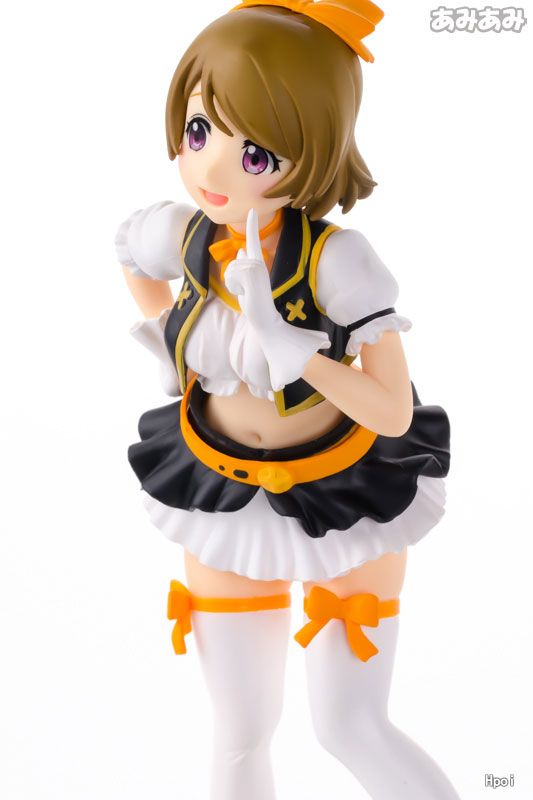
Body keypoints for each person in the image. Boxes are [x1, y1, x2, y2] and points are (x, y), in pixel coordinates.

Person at [115, 2, 461, 798]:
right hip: (221, 494)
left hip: (346, 499)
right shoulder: (184, 233)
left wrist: (295, 350)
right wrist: (170, 332)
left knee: (350, 725)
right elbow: (133, 258)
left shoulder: (338, 262)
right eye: (198, 131)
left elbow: (392, 412)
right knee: (239, 732)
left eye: (255, 152)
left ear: (314, 148)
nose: (213, 170)